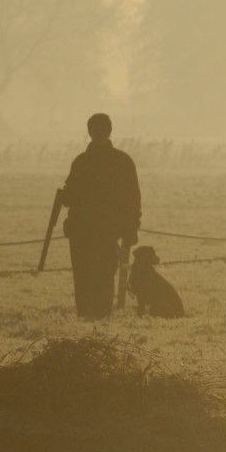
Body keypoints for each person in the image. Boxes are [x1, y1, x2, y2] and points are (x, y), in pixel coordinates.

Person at [62, 113, 141, 319]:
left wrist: (131, 228)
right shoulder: (86, 162)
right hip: (84, 231)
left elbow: (132, 199)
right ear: (90, 132)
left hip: (105, 232)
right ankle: (88, 318)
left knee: (102, 276)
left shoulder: (115, 162)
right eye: (95, 129)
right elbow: (70, 196)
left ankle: (98, 319)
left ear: (109, 131)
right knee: (85, 277)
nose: (98, 133)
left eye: (101, 129)